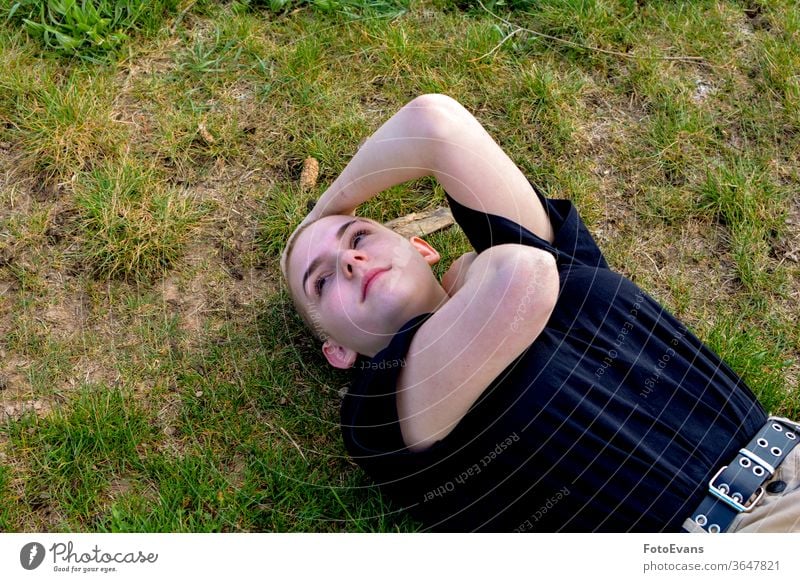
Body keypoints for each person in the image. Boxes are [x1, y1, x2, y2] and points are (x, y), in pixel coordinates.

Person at [281, 94, 800, 533]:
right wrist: (471, 269)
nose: (349, 260)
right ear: (338, 350)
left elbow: (434, 122)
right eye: (321, 281)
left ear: (422, 248)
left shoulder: (551, 263)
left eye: (359, 236)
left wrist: (319, 215)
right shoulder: (380, 410)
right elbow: (521, 282)